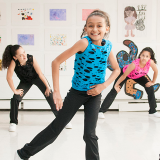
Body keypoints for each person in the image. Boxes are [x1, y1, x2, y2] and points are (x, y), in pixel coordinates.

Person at [14, 9, 120, 160]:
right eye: (90, 25)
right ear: (85, 28)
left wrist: (103, 86)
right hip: (76, 94)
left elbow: (116, 69)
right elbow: (56, 62)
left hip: (95, 95)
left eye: (99, 26)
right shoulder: (84, 43)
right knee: (56, 128)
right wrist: (56, 92)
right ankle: (22, 154)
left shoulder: (108, 46)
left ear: (106, 28)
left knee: (90, 134)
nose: (94, 29)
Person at [2, 45, 72, 131]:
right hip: (25, 81)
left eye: (24, 52)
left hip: (37, 78)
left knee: (50, 95)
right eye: (20, 55)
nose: (24, 55)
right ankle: (13, 122)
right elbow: (9, 77)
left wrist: (47, 87)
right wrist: (14, 90)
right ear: (15, 57)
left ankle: (63, 120)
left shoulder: (31, 58)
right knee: (15, 98)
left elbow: (40, 74)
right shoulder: (13, 62)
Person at [98, 47, 160, 119]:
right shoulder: (134, 64)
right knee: (115, 90)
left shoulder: (150, 62)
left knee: (150, 87)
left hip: (138, 75)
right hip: (125, 74)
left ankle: (153, 111)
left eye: (147, 56)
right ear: (140, 55)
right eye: (143, 55)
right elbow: (124, 75)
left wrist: (152, 82)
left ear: (150, 57)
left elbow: (156, 71)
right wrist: (116, 85)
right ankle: (101, 111)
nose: (144, 58)